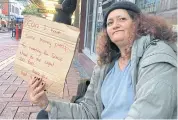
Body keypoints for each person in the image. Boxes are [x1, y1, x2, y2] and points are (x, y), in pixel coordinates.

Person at [28, 1, 177, 119]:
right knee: (44, 115)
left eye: (122, 19)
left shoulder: (157, 56)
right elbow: (88, 112)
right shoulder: (105, 66)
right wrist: (46, 103)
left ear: (138, 24)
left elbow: (148, 113)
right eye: (109, 23)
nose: (115, 25)